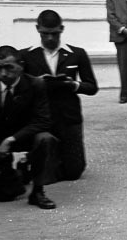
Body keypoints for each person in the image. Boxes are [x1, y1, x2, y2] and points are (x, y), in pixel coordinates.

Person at [21, 10, 98, 182]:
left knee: (74, 172)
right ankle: (37, 160)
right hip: (41, 118)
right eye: (45, 34)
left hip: (68, 117)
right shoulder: (26, 56)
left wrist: (74, 85)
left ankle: (47, 163)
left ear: (61, 29)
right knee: (45, 170)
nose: (49, 38)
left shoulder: (76, 54)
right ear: (37, 29)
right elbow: (19, 88)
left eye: (54, 34)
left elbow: (92, 87)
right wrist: (36, 83)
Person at [0, 46, 57, 209]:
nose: (3, 73)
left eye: (9, 67)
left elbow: (43, 121)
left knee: (45, 139)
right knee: (5, 195)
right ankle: (15, 174)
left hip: (24, 136)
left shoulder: (36, 84)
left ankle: (38, 191)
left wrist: (11, 139)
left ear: (21, 66)